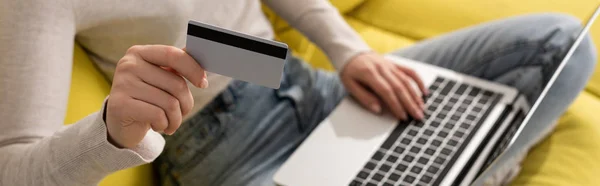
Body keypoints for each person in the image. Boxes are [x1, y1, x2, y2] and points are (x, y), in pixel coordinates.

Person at [0, 0, 595, 186]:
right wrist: (109, 132)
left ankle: (452, 168)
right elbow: (14, 164)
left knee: (560, 43)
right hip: (229, 148)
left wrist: (350, 50)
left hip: (317, 88)